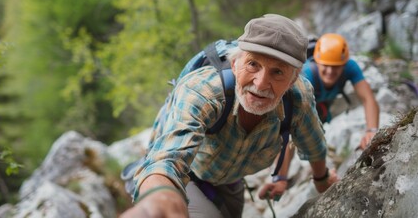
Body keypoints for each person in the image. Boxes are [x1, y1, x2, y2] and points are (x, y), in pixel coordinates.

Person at [120, 14, 338, 218]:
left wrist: (321, 179)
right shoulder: (204, 91)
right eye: (253, 64)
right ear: (235, 64)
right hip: (186, 173)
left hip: (228, 178)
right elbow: (167, 160)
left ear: (293, 80)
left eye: (277, 72)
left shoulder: (298, 99)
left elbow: (313, 145)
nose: (261, 84)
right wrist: (161, 197)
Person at [259, 33, 380, 201]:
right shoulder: (306, 74)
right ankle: (280, 174)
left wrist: (372, 130)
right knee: (294, 139)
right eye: (326, 65)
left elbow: (368, 98)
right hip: (302, 109)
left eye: (336, 67)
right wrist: (281, 179)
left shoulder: (350, 67)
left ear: (344, 64)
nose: (330, 71)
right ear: (317, 61)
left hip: (320, 107)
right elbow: (287, 132)